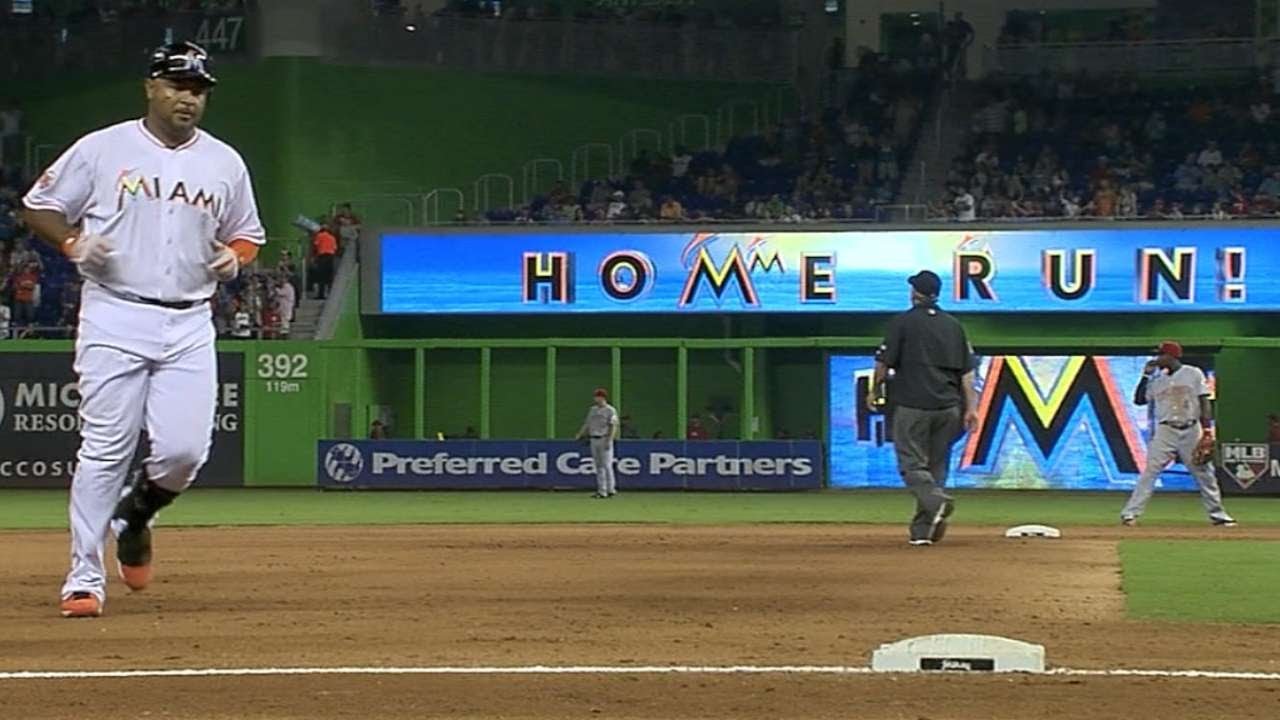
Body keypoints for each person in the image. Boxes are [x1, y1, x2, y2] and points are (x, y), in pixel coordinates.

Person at [21, 41, 265, 618]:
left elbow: (248, 234)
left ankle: (138, 512)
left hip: (188, 320)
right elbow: (38, 205)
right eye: (178, 85)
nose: (188, 98)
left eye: (198, 89)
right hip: (115, 310)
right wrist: (73, 241)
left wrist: (235, 257)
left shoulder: (224, 162)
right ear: (151, 87)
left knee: (184, 453)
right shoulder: (105, 148)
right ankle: (84, 576)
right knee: (105, 449)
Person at [868, 270, 979, 546]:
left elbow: (884, 363)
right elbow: (967, 373)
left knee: (911, 465)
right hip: (949, 407)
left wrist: (874, 390)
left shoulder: (902, 323)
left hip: (913, 404)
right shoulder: (954, 325)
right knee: (937, 468)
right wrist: (971, 408)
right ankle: (922, 532)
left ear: (914, 292)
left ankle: (936, 501)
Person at [1120, 342, 1236, 527]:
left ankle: (1218, 515)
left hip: (1192, 429)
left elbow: (1204, 401)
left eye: (1161, 355)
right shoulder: (1157, 381)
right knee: (1150, 471)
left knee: (1204, 473)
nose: (1157, 358)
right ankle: (1130, 514)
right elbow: (1139, 400)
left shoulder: (1193, 373)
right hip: (1166, 430)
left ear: (1172, 356)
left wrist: (1207, 430)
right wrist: (1145, 375)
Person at [575, 387, 619, 498]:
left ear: (603, 397)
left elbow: (613, 426)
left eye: (598, 397)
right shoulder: (593, 410)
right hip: (593, 438)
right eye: (595, 397)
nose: (596, 399)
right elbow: (587, 423)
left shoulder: (610, 410)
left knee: (607, 465)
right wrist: (580, 434)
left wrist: (610, 439)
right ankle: (601, 490)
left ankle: (611, 489)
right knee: (598, 466)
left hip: (604, 438)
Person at [311, 223, 338, 299]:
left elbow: (315, 246)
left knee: (321, 277)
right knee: (329, 276)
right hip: (331, 257)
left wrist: (314, 257)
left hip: (322, 257)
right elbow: (335, 248)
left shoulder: (319, 236)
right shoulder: (332, 237)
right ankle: (331, 294)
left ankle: (321, 294)